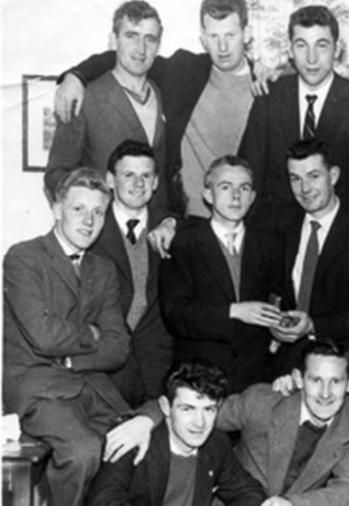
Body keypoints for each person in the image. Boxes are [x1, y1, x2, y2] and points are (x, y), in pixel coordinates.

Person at [54, 0, 265, 220]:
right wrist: (77, 76)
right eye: (214, 36)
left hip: (245, 226)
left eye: (230, 35)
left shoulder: (268, 87)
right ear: (203, 38)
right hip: (183, 223)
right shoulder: (185, 71)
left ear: (247, 33)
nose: (222, 47)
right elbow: (125, 58)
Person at [105, 340, 349, 506]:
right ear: (299, 379)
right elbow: (197, 409)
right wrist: (145, 418)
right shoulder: (262, 402)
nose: (325, 393)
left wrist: (290, 504)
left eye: (335, 381)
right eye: (316, 380)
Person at [3, 168, 130, 506]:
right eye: (78, 209)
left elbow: (118, 346)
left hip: (89, 384)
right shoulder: (24, 257)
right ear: (57, 209)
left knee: (136, 440)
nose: (89, 221)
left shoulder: (102, 269)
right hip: (37, 387)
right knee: (83, 451)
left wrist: (72, 358)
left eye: (98, 212)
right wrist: (91, 333)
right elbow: (43, 337)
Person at [265, 138, 349, 398]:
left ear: (334, 175)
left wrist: (312, 326)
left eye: (313, 176)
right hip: (290, 358)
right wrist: (275, 323)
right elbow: (273, 290)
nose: (304, 188)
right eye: (295, 179)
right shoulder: (281, 224)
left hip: (345, 361)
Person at [241, 5, 349, 222]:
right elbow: (250, 174)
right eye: (301, 45)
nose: (311, 58)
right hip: (275, 236)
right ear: (290, 49)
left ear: (337, 48)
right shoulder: (269, 97)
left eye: (321, 45)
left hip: (338, 235)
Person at [159, 155, 275, 393]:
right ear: (208, 195)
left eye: (244, 188)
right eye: (225, 187)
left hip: (254, 378)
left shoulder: (268, 244)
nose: (236, 196)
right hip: (199, 378)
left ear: (252, 198)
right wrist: (234, 311)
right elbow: (175, 314)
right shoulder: (184, 242)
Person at [46, 1, 168, 214]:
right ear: (113, 41)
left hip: (152, 234)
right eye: (131, 36)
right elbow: (57, 174)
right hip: (102, 236)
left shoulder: (163, 92)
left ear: (158, 45)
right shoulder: (85, 97)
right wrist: (90, 211)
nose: (141, 48)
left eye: (150, 39)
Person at [86, 361, 266, 505]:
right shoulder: (133, 439)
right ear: (165, 407)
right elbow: (104, 499)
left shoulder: (217, 444)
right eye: (187, 409)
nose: (200, 422)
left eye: (209, 410)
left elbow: (248, 492)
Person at [90, 140, 173, 406]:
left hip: (158, 369)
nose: (138, 183)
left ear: (156, 181)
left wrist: (172, 224)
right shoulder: (90, 229)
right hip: (105, 370)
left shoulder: (174, 228)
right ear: (110, 180)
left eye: (146, 175)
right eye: (129, 175)